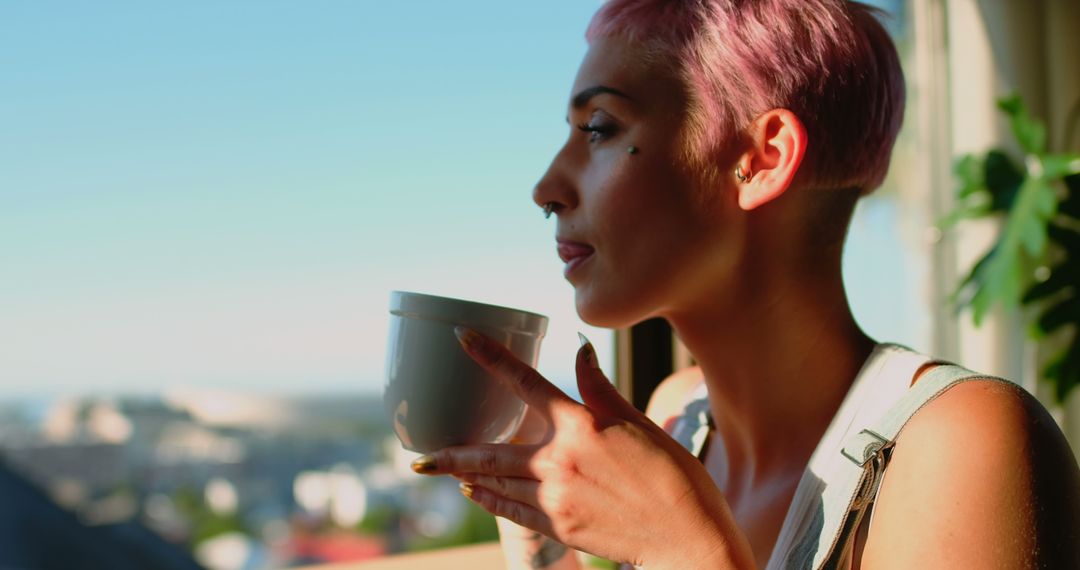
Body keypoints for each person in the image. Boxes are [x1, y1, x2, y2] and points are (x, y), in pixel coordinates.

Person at [409, 0, 1080, 568]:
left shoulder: (963, 445)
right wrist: (539, 543)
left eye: (600, 129)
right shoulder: (679, 416)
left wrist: (683, 546)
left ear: (762, 160)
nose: (546, 189)